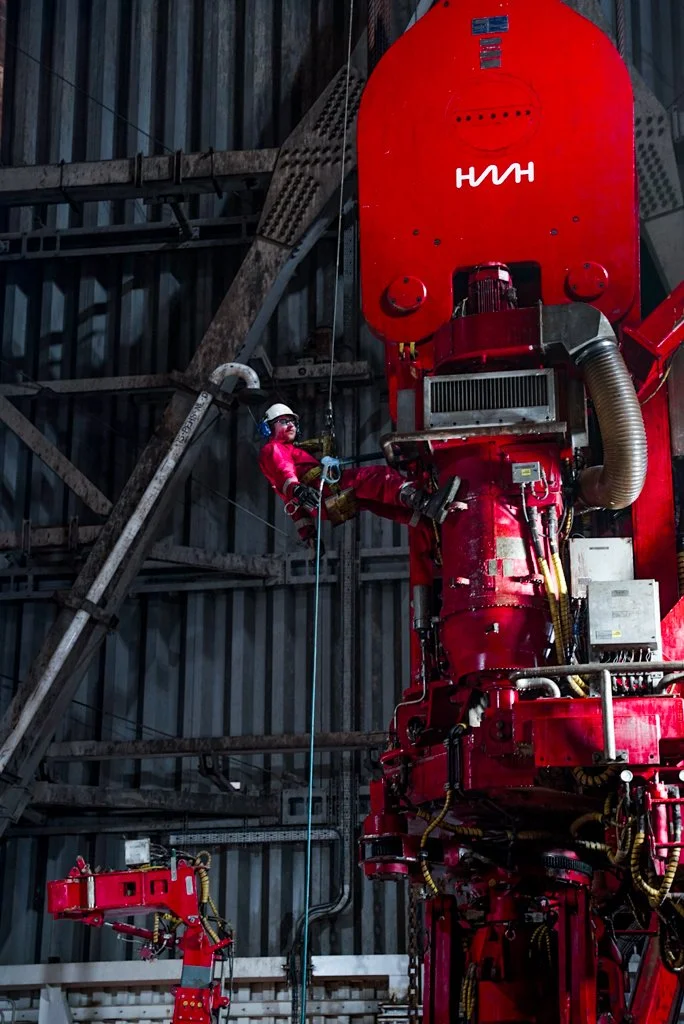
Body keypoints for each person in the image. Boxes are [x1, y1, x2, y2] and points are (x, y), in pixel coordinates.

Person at [258, 404, 461, 555]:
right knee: (377, 477)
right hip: (324, 490)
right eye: (283, 421)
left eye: (292, 421)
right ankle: (425, 503)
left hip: (321, 506)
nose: (291, 425)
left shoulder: (289, 456)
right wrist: (297, 488)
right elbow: (285, 471)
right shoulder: (274, 449)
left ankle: (425, 523)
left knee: (376, 503)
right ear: (269, 428)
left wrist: (310, 536)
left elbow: (293, 506)